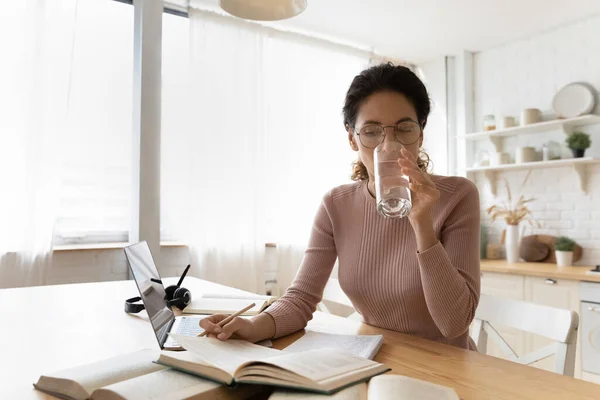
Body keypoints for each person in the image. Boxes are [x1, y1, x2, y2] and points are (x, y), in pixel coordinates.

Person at [200, 62, 481, 350]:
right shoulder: (335, 204)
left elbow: (454, 323)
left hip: (448, 368)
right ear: (352, 138)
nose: (388, 146)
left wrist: (422, 224)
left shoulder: (458, 196)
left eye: (404, 129)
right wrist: (251, 326)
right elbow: (301, 299)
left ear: (420, 134)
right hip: (373, 358)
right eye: (372, 131)